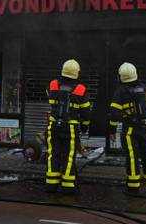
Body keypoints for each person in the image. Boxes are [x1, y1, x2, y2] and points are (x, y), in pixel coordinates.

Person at [108, 63, 146, 195]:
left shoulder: (120, 92)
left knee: (132, 157)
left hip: (130, 129)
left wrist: (112, 130)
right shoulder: (144, 88)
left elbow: (114, 113)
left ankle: (133, 188)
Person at [45, 59, 91, 194]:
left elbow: (51, 100)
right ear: (77, 73)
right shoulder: (81, 89)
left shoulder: (53, 85)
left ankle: (51, 185)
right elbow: (86, 113)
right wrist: (84, 127)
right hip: (70, 128)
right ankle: (68, 186)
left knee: (53, 154)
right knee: (68, 156)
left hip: (53, 126)